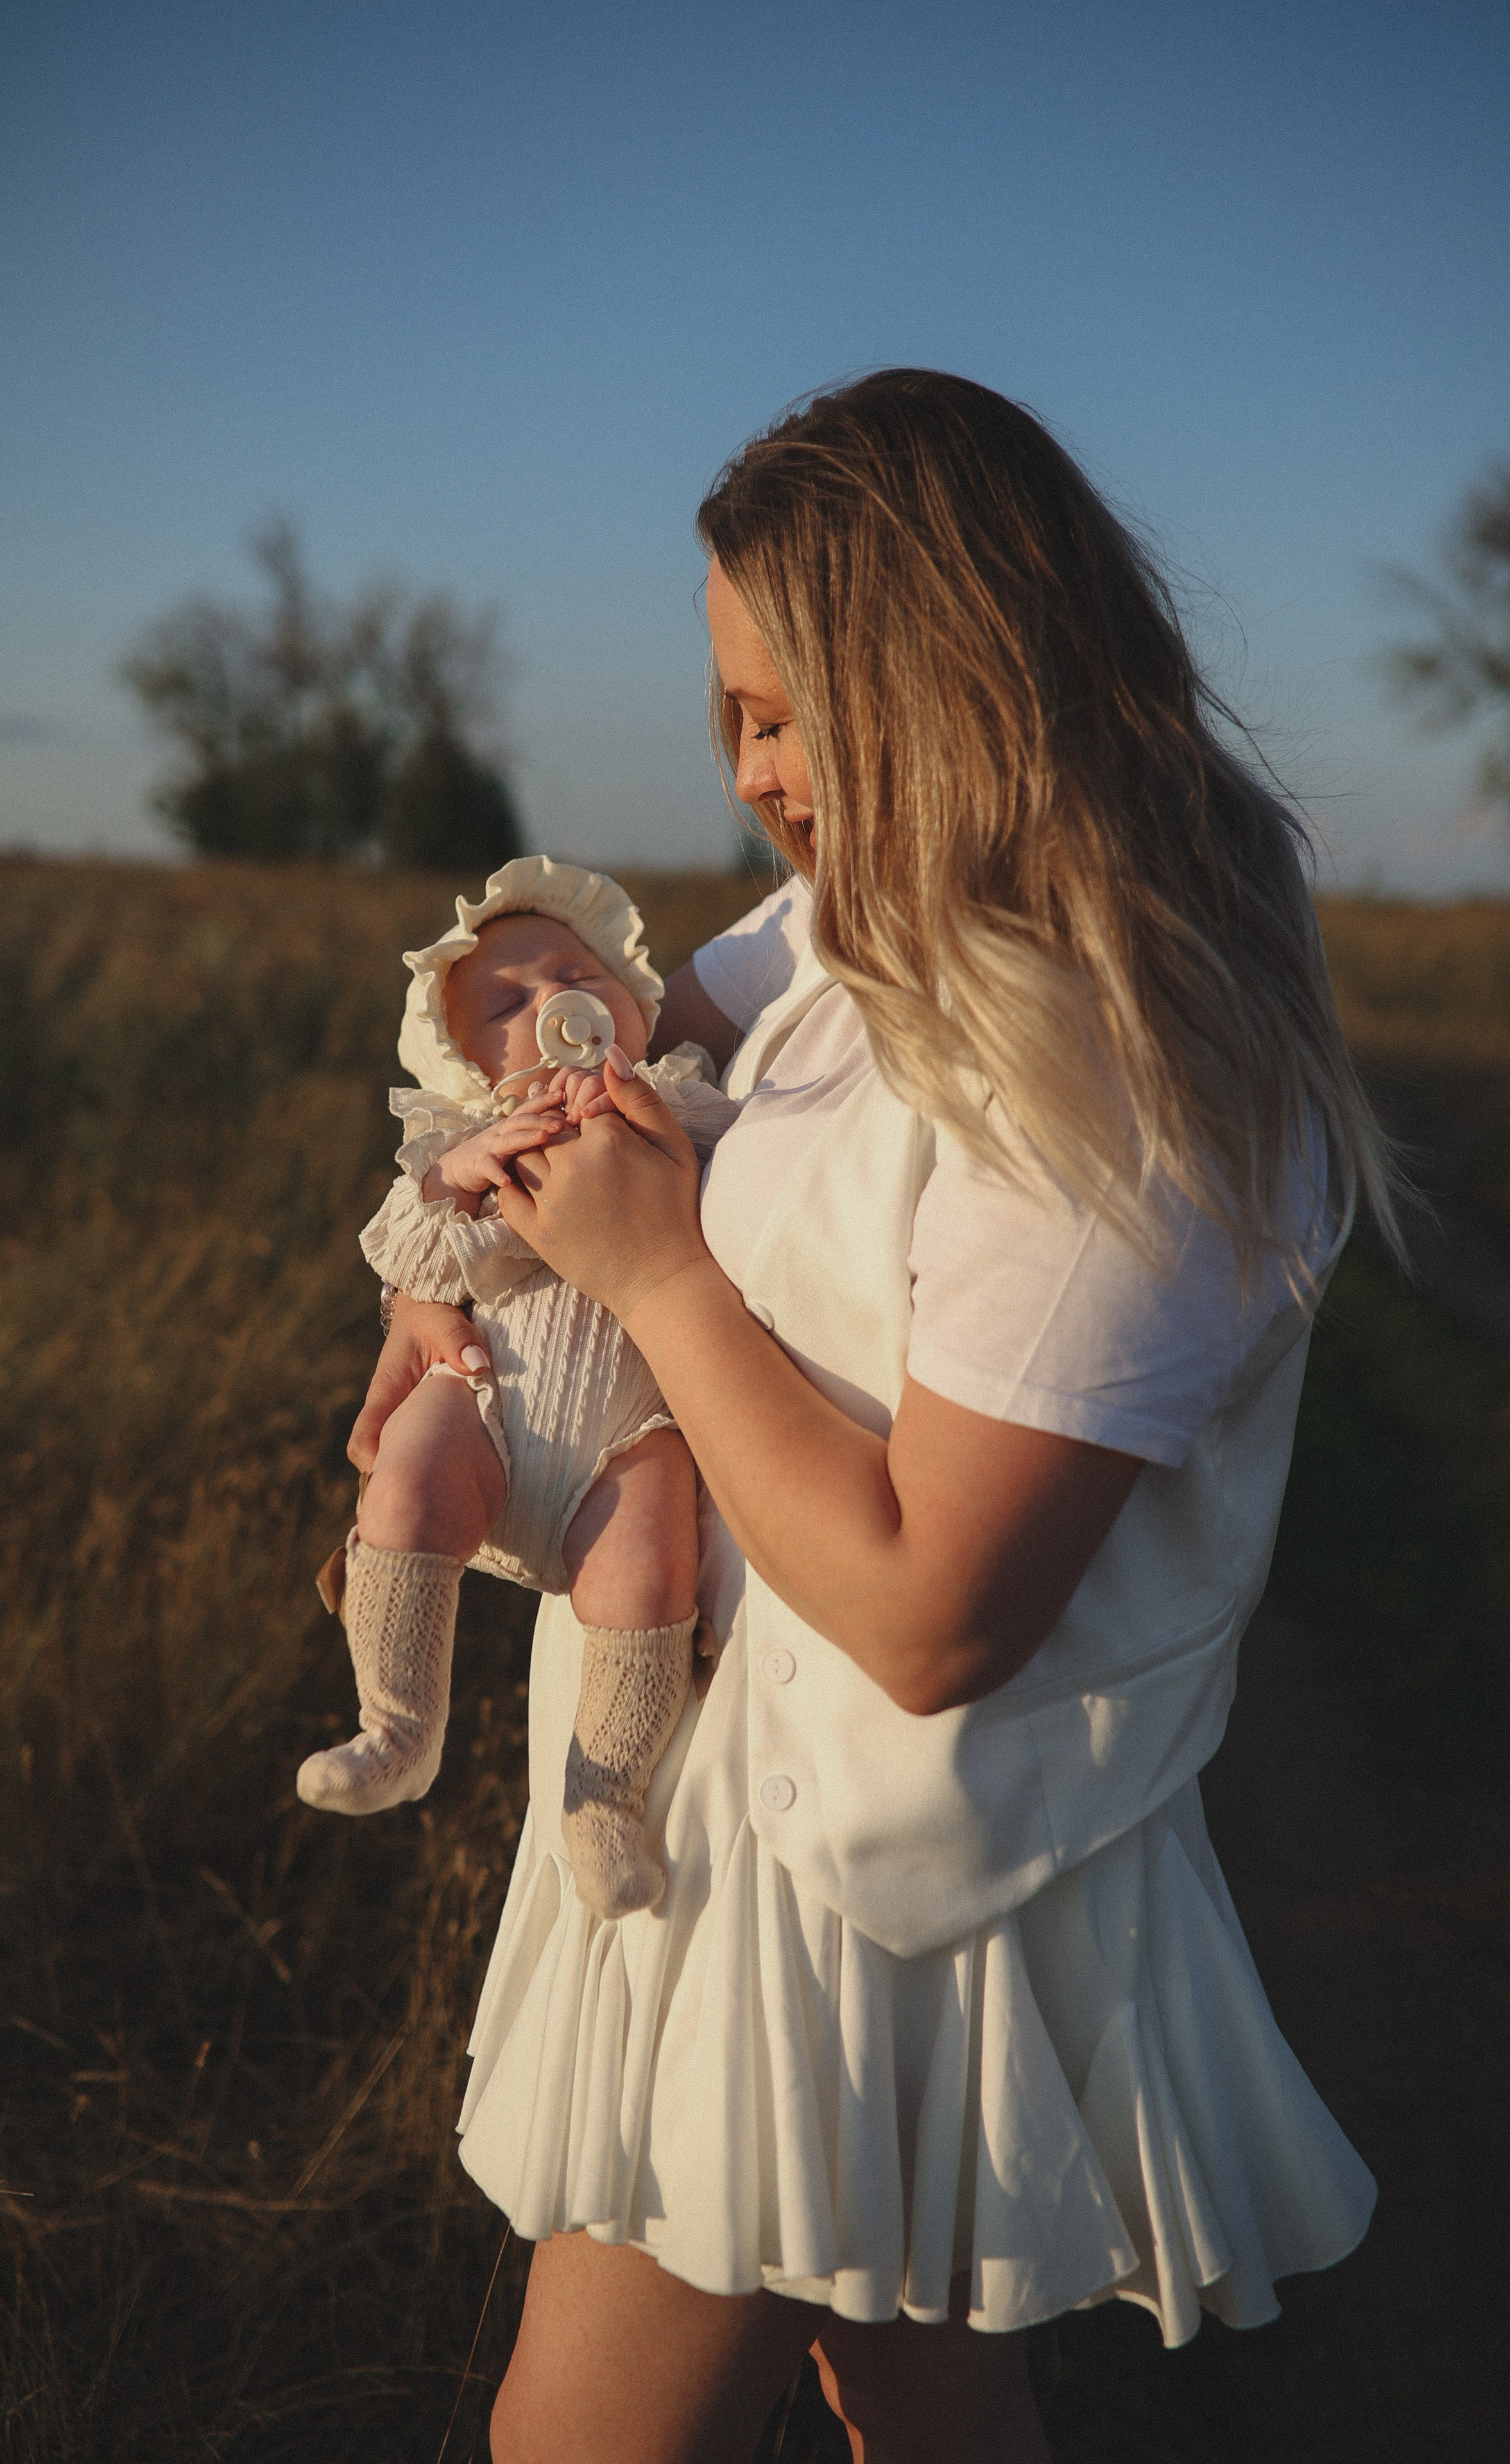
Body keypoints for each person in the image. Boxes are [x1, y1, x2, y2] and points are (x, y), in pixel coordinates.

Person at [348, 372, 1394, 2463]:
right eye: (730, 710)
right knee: (908, 2391)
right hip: (738, 1791)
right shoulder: (862, 919)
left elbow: (937, 1617)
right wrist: (444, 1252)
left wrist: (659, 1276)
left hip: (862, 1881)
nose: (749, 772)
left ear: (957, 683)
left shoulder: (1117, 1056)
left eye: (787, 713)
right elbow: (612, 1052)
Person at [299, 857, 737, 1920]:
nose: (553, 1003)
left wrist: (656, 1126)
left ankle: (606, 1801)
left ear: (634, 1004)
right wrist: (460, 1175)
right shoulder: (458, 1140)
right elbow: (404, 1253)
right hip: (490, 1398)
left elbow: (745, 1191)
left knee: (650, 1574)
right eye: (508, 1005)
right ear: (464, 1058)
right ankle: (397, 1729)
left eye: (578, 976)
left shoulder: (681, 1099)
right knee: (406, 1485)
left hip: (629, 1429)